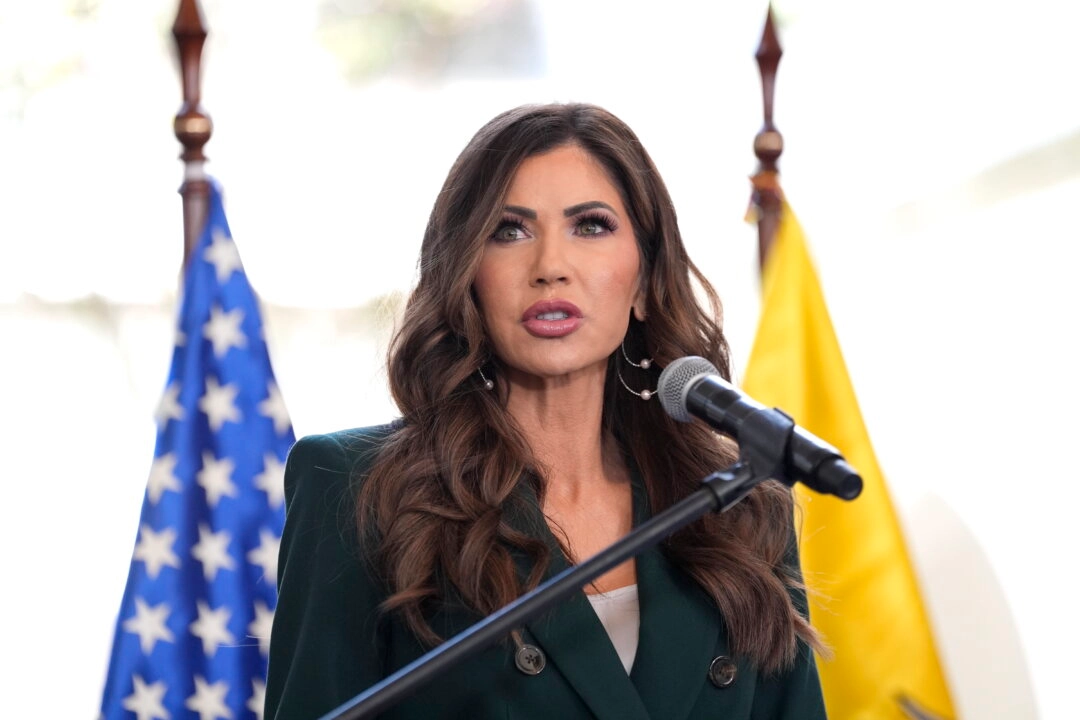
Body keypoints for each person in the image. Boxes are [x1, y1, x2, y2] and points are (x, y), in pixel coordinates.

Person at [265, 103, 826, 720]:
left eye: (590, 226)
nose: (550, 267)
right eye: (509, 230)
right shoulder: (355, 487)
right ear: (467, 277)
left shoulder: (740, 506)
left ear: (643, 281)